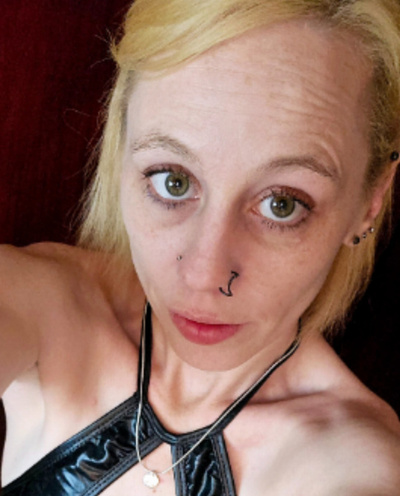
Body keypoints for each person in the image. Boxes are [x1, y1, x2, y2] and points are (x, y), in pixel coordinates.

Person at [1, 0, 400, 494]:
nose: (204, 274)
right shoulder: (44, 304)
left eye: (281, 204)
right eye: (172, 181)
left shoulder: (350, 461)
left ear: (369, 201)